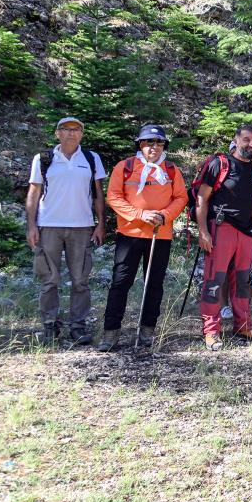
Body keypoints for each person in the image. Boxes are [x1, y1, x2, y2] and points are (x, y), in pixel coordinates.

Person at [100, 124, 186, 351]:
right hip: (130, 234)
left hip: (161, 234)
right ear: (141, 144)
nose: (154, 147)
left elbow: (181, 198)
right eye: (149, 142)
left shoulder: (171, 170)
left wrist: (164, 216)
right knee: (120, 282)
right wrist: (140, 215)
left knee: (154, 284)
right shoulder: (125, 167)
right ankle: (111, 333)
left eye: (159, 143)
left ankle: (147, 331)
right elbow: (114, 197)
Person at [25, 117, 108, 345]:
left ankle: (78, 326)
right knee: (49, 279)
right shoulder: (43, 159)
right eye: (66, 129)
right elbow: (33, 192)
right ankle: (50, 325)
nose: (71, 133)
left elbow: (98, 193)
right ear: (57, 133)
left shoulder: (91, 159)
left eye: (76, 129)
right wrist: (31, 225)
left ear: (82, 134)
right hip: (49, 225)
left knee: (80, 280)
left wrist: (100, 223)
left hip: (82, 226)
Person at [195, 124, 252, 350]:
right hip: (220, 227)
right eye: (246, 139)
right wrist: (203, 230)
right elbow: (202, 199)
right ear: (236, 139)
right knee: (215, 280)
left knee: (242, 281)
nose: (251, 144)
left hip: (245, 232)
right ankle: (211, 331)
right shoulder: (219, 163)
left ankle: (242, 325)